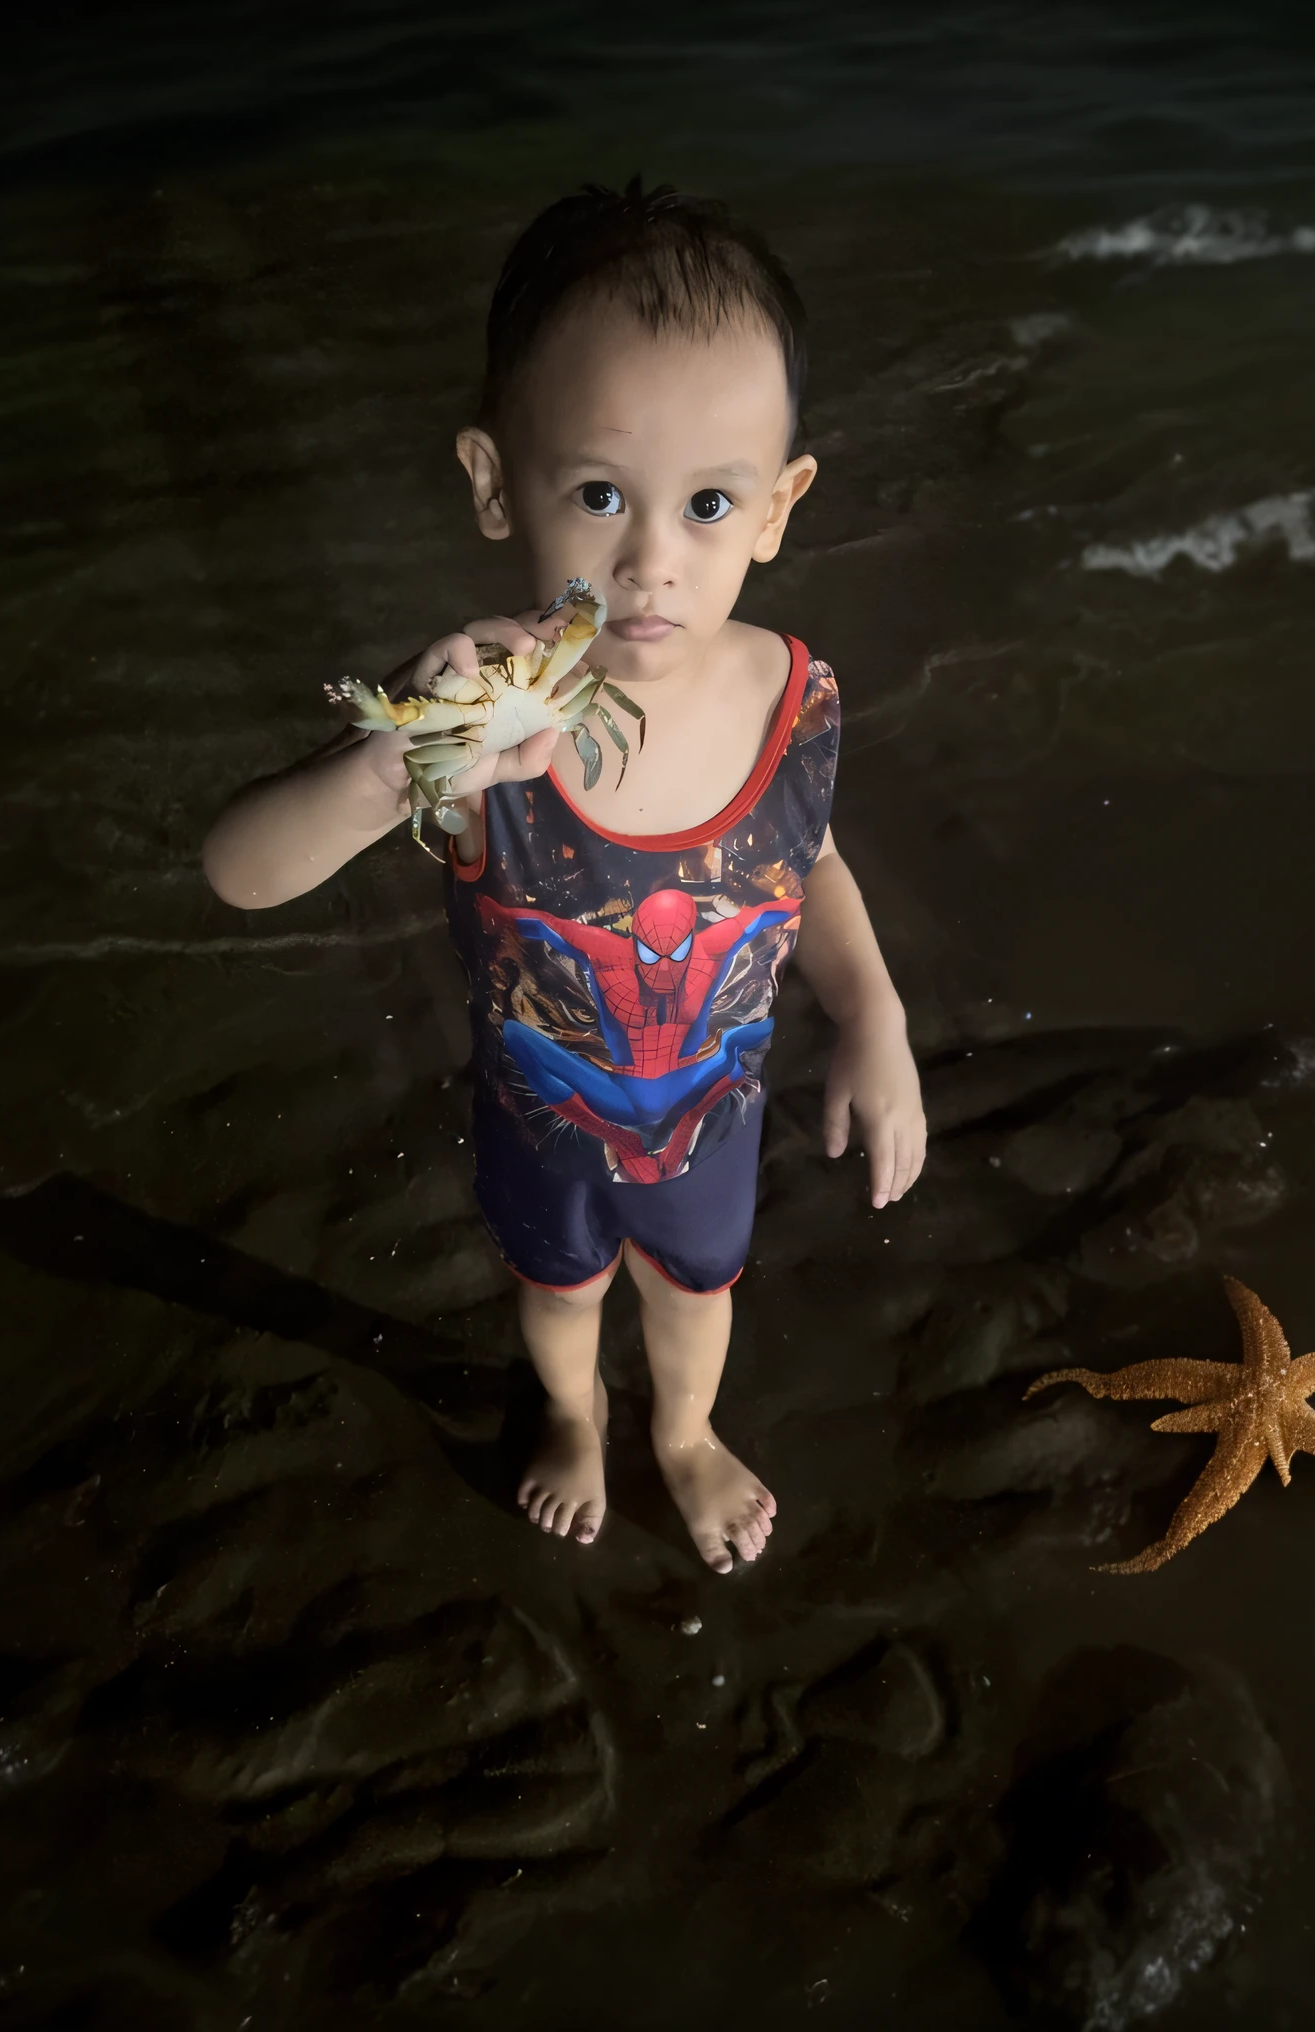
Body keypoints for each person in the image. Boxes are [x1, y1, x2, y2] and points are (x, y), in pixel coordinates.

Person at [203, 179, 925, 1574]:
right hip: (543, 1124)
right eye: (599, 493)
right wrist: (389, 768)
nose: (650, 560)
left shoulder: (799, 696)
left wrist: (875, 1015)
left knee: (697, 1293)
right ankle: (576, 1421)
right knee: (555, 1292)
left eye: (708, 503)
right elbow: (240, 874)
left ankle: (683, 1437)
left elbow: (805, 855)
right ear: (494, 483)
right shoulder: (478, 726)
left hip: (712, 1125)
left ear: (780, 508)